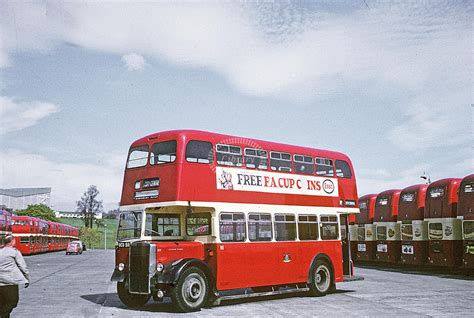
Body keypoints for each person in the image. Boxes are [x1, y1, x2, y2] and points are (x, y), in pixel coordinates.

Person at [0, 235, 30, 318]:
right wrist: (27, 278)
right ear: (12, 242)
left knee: (2, 302)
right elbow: (23, 267)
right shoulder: (14, 252)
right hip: (10, 282)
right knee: (13, 302)